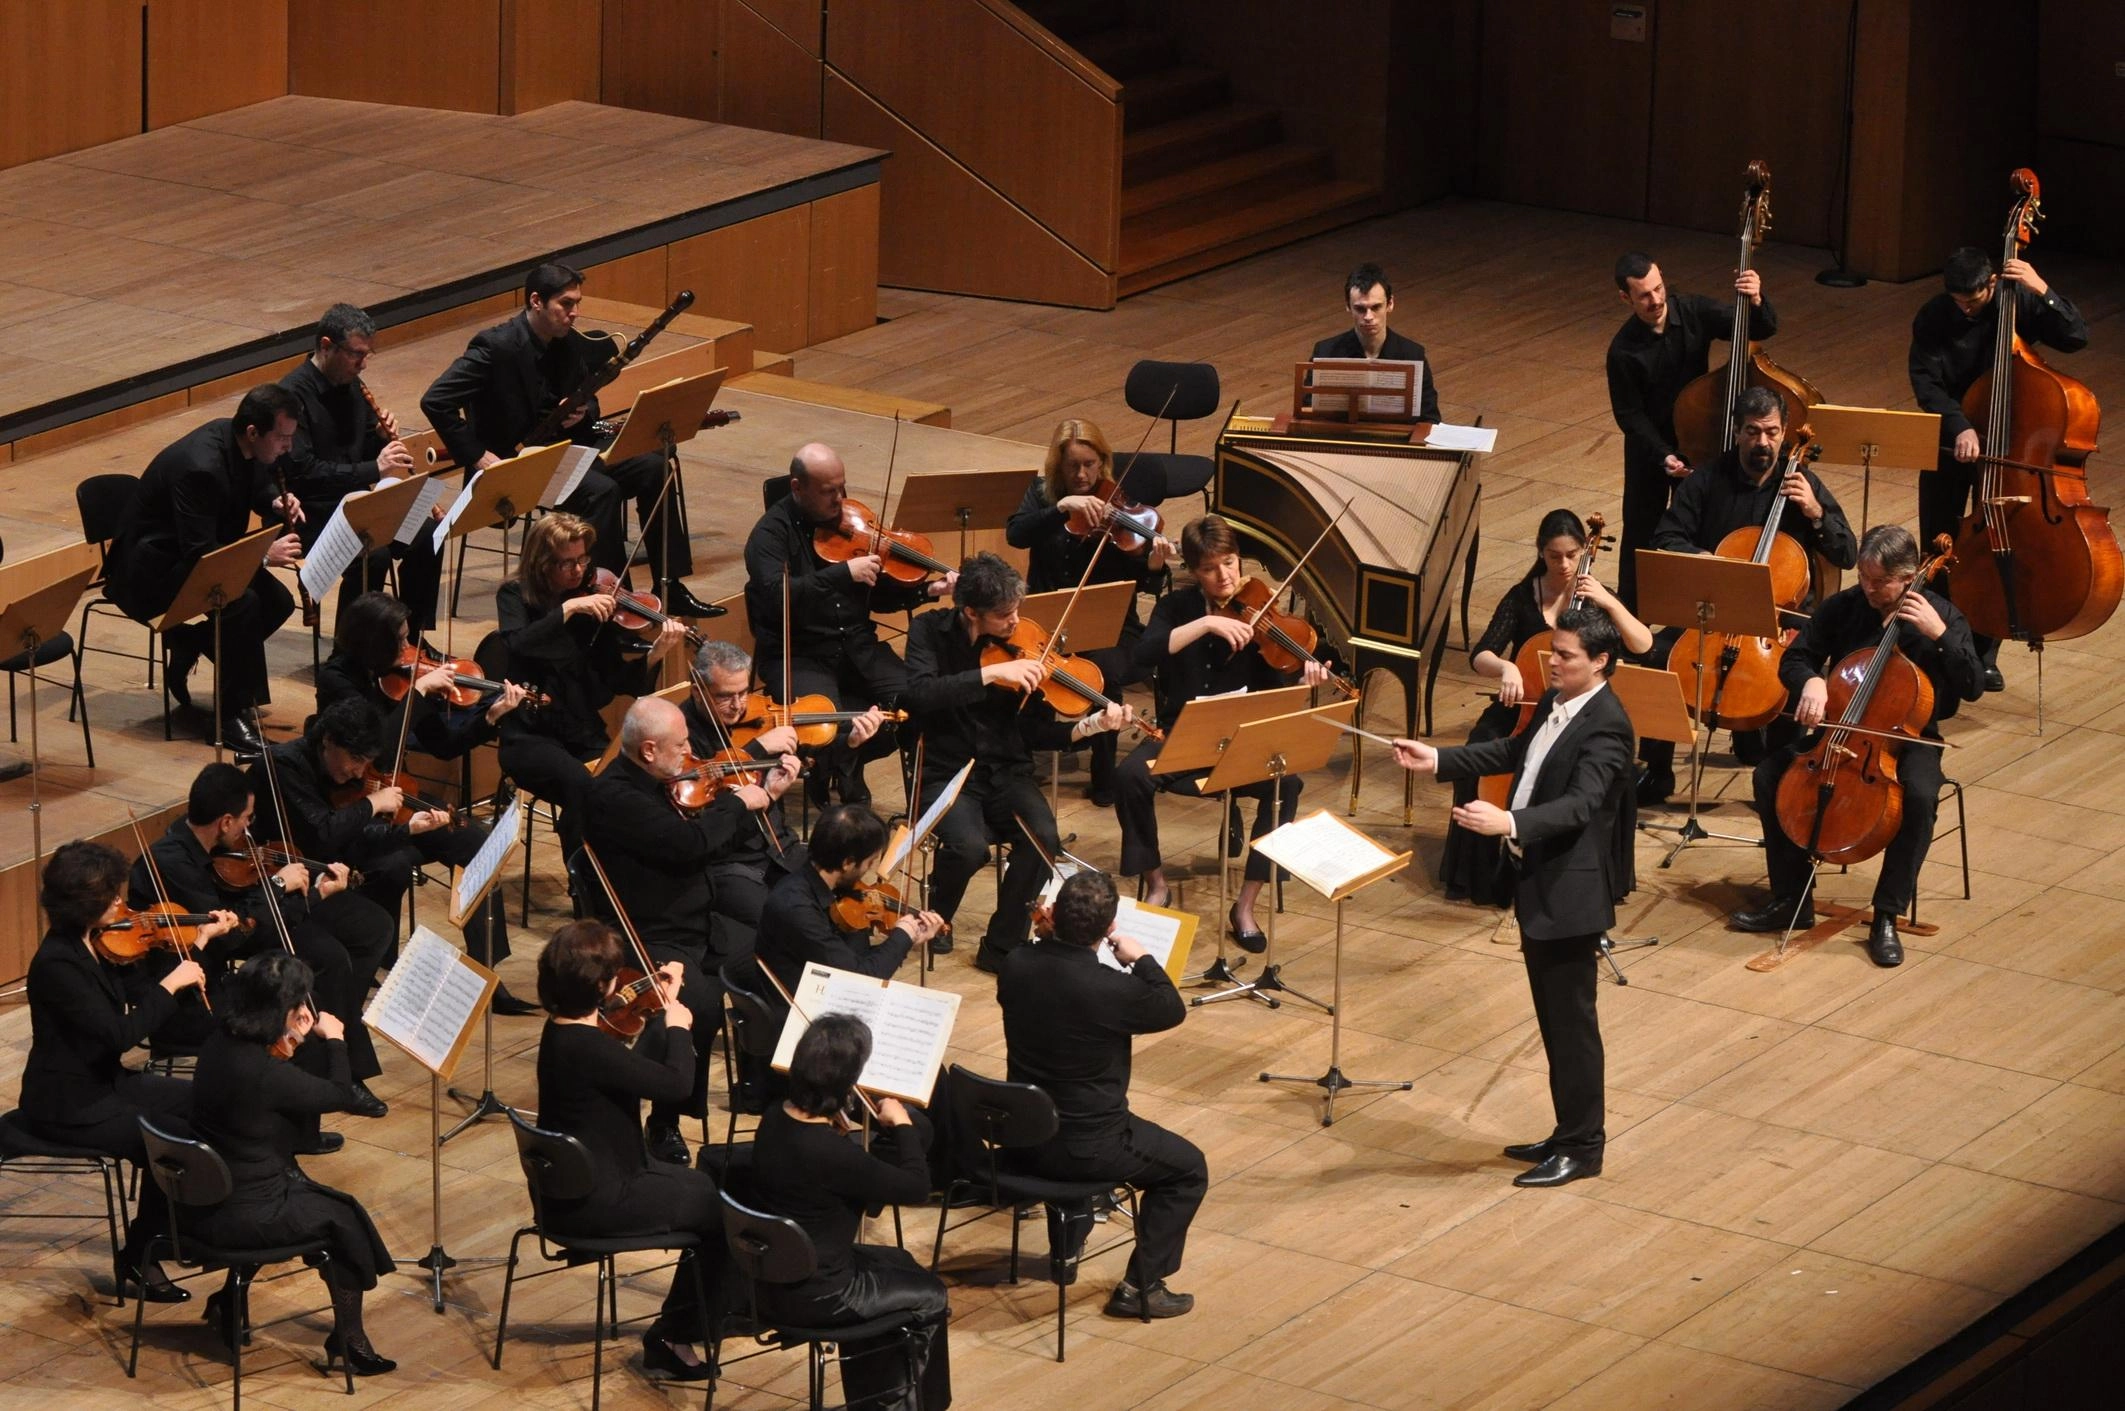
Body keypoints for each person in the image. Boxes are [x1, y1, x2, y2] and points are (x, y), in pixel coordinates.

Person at [1391, 606, 1635, 1188]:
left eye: (1566, 655)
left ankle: (1584, 1146)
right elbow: (1515, 754)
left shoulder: (1608, 724)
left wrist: (1509, 823)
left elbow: (1581, 805)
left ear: (1600, 662)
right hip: (1539, 888)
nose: (1552, 661)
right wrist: (1440, 759)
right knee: (1554, 1024)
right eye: (1554, 651)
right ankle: (1567, 1131)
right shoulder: (1556, 699)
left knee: (1572, 1028)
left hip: (1569, 899)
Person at [1732, 524, 1985, 966]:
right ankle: (1792, 899)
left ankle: (1887, 913)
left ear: (1908, 577)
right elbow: (1797, 656)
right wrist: (1810, 681)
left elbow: (1974, 685)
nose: (1868, 587)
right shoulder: (1846, 607)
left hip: (1911, 739)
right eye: (1864, 577)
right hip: (1842, 730)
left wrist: (1940, 636)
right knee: (1770, 774)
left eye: (1879, 581)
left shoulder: (1942, 615)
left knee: (1920, 797)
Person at [419, 262, 716, 616]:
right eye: (566, 304)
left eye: (577, 303)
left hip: (568, 450)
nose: (575, 313)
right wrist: (478, 456)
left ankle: (670, 587)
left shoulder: (569, 342)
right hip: (518, 462)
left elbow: (589, 400)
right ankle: (616, 598)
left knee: (653, 466)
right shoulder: (495, 347)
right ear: (536, 301)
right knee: (602, 491)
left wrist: (581, 411)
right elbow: (435, 401)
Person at [583, 695, 798, 1164]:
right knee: (696, 1001)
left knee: (778, 956)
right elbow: (688, 844)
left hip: (698, 924)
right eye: (681, 747)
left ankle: (763, 1088)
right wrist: (739, 804)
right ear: (648, 751)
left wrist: (768, 797)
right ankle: (665, 1122)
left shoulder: (662, 779)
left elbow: (710, 845)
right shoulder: (615, 796)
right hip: (649, 935)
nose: (690, 756)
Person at [131, 763, 397, 1137]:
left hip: (217, 970)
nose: (248, 830)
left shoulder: (204, 847)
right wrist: (275, 884)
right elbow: (236, 933)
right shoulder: (172, 862)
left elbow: (245, 921)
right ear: (224, 821)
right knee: (295, 1014)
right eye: (245, 819)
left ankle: (321, 1106)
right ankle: (305, 1124)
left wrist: (311, 893)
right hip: (189, 999)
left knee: (317, 983)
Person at [19, 841, 234, 1303]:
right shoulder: (57, 964)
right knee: (174, 1145)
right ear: (85, 904)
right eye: (114, 898)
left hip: (104, 1082)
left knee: (206, 1106)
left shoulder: (97, 942)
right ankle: (141, 1254)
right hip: (69, 1103)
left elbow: (144, 988)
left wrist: (194, 945)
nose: (124, 905)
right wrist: (170, 985)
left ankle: (182, 1232)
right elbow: (119, 1034)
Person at [900, 553, 1127, 972]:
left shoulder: (1021, 647)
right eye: (1004, 614)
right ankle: (935, 918)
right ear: (971, 611)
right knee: (968, 849)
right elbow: (917, 695)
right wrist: (987, 676)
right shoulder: (928, 631)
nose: (1015, 622)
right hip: (947, 771)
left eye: (1017, 610)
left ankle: (1002, 945)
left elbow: (1034, 732)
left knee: (1044, 836)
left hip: (1006, 771)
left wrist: (1088, 727)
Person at [997, 870, 1204, 1319]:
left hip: (1024, 1137)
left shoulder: (1014, 965)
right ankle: (1139, 1288)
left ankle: (1064, 1256)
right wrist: (1141, 958)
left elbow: (1043, 962)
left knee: (1061, 1124)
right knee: (1188, 1170)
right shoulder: (1112, 990)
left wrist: (1050, 937)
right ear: (1108, 928)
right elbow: (1171, 1007)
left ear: (1052, 914)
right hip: (1088, 1148)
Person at [1636, 385, 1858, 803]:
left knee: (1796, 670)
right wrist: (1711, 561)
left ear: (1785, 431)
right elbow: (1665, 536)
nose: (1763, 443)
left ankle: (1776, 779)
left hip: (1779, 619)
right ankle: (1658, 771)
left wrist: (1814, 512)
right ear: (1737, 432)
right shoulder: (1707, 479)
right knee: (1653, 654)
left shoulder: (1802, 483)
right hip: (1716, 610)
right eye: (1753, 432)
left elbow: (1847, 553)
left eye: (1772, 433)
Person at [1113, 515, 1327, 949]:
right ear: (1194, 571)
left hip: (1242, 738)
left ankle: (1246, 904)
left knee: (1287, 783)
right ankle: (1156, 883)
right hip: (1182, 734)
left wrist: (1303, 684)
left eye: (1229, 563)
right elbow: (1144, 654)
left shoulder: (1263, 613)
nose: (1224, 576)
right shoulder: (1178, 609)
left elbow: (1274, 689)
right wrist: (1207, 625)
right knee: (1130, 777)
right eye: (1210, 569)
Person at [535, 920, 727, 1382]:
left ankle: (702, 1310)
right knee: (721, 1210)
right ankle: (675, 1335)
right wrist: (678, 1023)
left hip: (574, 1187)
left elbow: (629, 1066)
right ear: (602, 986)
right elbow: (677, 1084)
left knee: (708, 1184)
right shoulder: (589, 1048)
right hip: (601, 1199)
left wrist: (658, 1004)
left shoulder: (560, 1033)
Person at [250, 697, 531, 1014]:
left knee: (473, 841)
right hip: (314, 865)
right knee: (393, 867)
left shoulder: (351, 774)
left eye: (366, 761)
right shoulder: (285, 765)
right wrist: (373, 804)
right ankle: (372, 973)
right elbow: (324, 834)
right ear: (327, 740)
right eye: (355, 759)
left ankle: (485, 968)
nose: (359, 773)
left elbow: (359, 831)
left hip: (360, 841)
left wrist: (408, 828)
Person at [187, 952, 395, 1374]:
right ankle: (349, 1339)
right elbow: (339, 1095)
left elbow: (277, 1082)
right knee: (343, 1218)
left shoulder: (220, 1043)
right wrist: (335, 1039)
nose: (305, 1009)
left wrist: (294, 1039)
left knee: (309, 1194)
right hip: (245, 1209)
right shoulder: (262, 1072)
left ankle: (229, 1300)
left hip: (208, 1194)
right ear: (280, 1009)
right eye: (298, 1002)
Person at [1908, 245, 2090, 692]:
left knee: (2000, 543)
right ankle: (1937, 645)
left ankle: (1985, 653)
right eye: (1958, 301)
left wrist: (2040, 287)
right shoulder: (1934, 316)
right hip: (1954, 443)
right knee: (1941, 539)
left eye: (1973, 300)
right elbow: (1925, 380)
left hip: (2014, 447)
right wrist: (1959, 426)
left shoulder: (2019, 301)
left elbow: (2076, 336)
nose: (1965, 309)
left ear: (1993, 283)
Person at [1447, 510, 1652, 905]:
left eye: (1572, 555)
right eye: (1555, 556)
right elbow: (1481, 653)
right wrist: (1506, 666)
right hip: (1524, 709)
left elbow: (1642, 644)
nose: (1564, 565)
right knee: (1478, 749)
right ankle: (1481, 873)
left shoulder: (1595, 599)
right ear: (1541, 553)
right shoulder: (1523, 596)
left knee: (1614, 772)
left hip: (1576, 716)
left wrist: (1609, 601)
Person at [751, 1014, 952, 1411]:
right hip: (823, 1293)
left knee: (901, 1261)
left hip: (771, 1276)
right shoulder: (833, 1154)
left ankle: (873, 1400)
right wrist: (904, 1126)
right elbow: (915, 1187)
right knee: (932, 1296)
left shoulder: (774, 1117)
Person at [743, 442, 955, 805]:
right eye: (828, 492)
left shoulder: (851, 526)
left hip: (857, 646)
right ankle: (832, 770)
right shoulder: (769, 536)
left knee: (920, 702)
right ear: (797, 488)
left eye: (843, 487)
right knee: (823, 726)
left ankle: (849, 765)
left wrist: (928, 591)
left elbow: (877, 597)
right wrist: (842, 574)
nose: (840, 499)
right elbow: (777, 596)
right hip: (799, 652)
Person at [105, 385, 306, 755]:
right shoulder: (202, 467)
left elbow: (253, 487)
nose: (287, 447)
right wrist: (263, 555)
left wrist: (275, 501)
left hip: (198, 554)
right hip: (151, 573)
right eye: (282, 437)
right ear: (252, 432)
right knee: (241, 604)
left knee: (277, 601)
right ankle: (228, 718)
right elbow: (201, 554)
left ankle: (190, 644)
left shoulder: (240, 444)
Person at [494, 512, 688, 861]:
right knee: (582, 786)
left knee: (632, 779)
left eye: (583, 559)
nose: (579, 570)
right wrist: (567, 609)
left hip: (580, 729)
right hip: (529, 735)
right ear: (542, 562)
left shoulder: (596, 607)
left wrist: (655, 654)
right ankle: (582, 877)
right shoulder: (515, 594)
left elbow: (618, 680)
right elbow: (516, 644)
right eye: (567, 562)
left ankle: (627, 868)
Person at [1004, 417, 1173, 805]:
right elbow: (1016, 532)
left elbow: (1141, 584)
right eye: (1072, 466)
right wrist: (1061, 508)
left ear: (1103, 462)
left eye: (1090, 465)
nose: (1082, 474)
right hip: (1045, 621)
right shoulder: (1044, 494)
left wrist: (1153, 565)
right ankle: (1021, 759)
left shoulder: (1118, 502)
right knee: (1026, 673)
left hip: (1106, 625)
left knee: (1107, 674)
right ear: (1058, 467)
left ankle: (1104, 769)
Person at [683, 639, 885, 951]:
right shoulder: (683, 736)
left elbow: (812, 762)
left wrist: (851, 742)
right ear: (697, 690)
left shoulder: (759, 718)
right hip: (729, 861)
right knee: (787, 922)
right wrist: (758, 750)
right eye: (725, 697)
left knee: (849, 899)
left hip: (780, 847)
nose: (738, 706)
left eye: (742, 693)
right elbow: (702, 805)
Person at [1605, 251, 1777, 611]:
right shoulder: (1622, 351)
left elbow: (1757, 328)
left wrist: (1756, 299)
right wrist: (1663, 454)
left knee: (1702, 530)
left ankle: (1696, 615)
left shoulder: (1693, 311)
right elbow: (1630, 415)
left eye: (1658, 288)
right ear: (1626, 298)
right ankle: (1631, 622)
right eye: (1644, 296)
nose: (1655, 300)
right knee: (1640, 535)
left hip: (1699, 442)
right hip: (1651, 450)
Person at [277, 302, 441, 631]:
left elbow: (358, 450)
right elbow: (304, 473)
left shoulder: (351, 385)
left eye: (368, 355)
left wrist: (379, 438)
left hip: (356, 507)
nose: (363, 364)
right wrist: (374, 469)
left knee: (428, 533)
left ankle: (411, 640)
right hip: (311, 515)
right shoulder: (291, 396)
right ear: (326, 346)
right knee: (374, 553)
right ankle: (351, 653)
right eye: (356, 354)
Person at [315, 589, 527, 764]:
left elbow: (445, 746)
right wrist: (418, 691)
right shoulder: (336, 680)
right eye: (399, 641)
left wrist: (490, 717)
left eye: (407, 638)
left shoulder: (402, 679)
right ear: (375, 643)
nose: (408, 647)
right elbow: (378, 751)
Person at [754, 803, 944, 997]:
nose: (868, 870)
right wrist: (902, 936)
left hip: (821, 986)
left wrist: (908, 939)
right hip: (798, 1008)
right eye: (869, 862)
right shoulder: (796, 908)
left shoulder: (830, 886)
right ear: (847, 863)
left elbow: (852, 960)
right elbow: (861, 980)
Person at [1310, 262, 1442, 423]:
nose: (1368, 317)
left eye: (1376, 307)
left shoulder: (1412, 354)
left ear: (1390, 303)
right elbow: (1307, 413)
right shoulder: (1326, 352)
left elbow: (1429, 418)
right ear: (1347, 306)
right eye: (1360, 309)